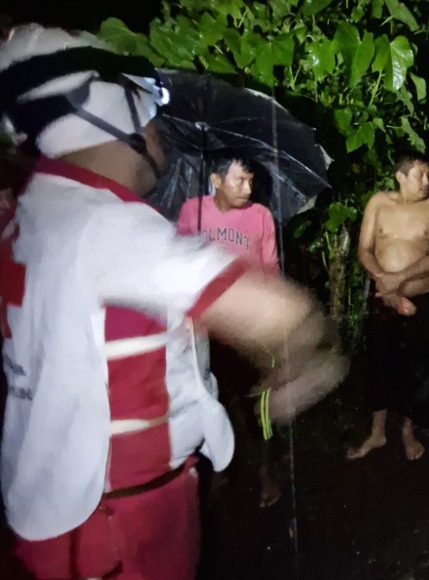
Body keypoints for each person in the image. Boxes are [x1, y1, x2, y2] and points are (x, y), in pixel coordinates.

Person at [0, 24, 346, 580]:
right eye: (151, 112)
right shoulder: (105, 226)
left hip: (58, 514)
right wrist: (315, 355)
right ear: (112, 119)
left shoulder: (33, 211)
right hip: (116, 524)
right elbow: (279, 313)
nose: (162, 131)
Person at [177, 157, 282, 507]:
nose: (248, 189)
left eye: (251, 181)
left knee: (259, 403)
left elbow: (270, 270)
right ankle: (221, 468)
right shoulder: (193, 211)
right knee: (212, 399)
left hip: (249, 327)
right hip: (205, 329)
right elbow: (179, 263)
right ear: (216, 181)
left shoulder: (261, 217)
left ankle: (265, 472)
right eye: (240, 181)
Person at [346, 151, 429, 461]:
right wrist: (386, 285)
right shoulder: (378, 202)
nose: (427, 181)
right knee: (379, 362)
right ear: (400, 177)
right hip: (383, 298)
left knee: (417, 368)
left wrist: (400, 278)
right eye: (420, 175)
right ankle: (377, 432)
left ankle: (408, 430)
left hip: (420, 300)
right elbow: (364, 249)